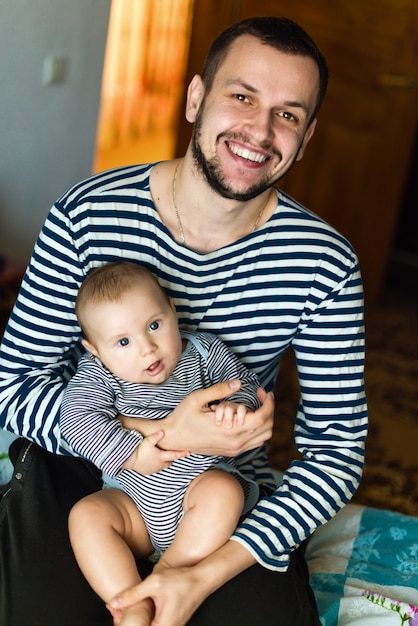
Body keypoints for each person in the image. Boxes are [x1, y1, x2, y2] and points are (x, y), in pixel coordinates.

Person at [0, 15, 368, 626]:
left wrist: (196, 577)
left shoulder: (323, 262)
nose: (260, 129)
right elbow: (15, 388)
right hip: (84, 468)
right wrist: (166, 436)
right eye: (242, 96)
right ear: (197, 98)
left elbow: (336, 450)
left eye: (289, 114)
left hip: (221, 492)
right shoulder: (87, 214)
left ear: (306, 138)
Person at [61, 261, 266, 625]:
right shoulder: (100, 375)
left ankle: (166, 575)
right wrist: (133, 453)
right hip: (134, 506)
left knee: (223, 492)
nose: (147, 349)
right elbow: (75, 420)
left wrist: (238, 407)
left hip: (197, 491)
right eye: (123, 342)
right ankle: (130, 602)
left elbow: (245, 383)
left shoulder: (204, 352)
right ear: (94, 349)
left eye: (154, 326)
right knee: (87, 516)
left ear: (172, 309)